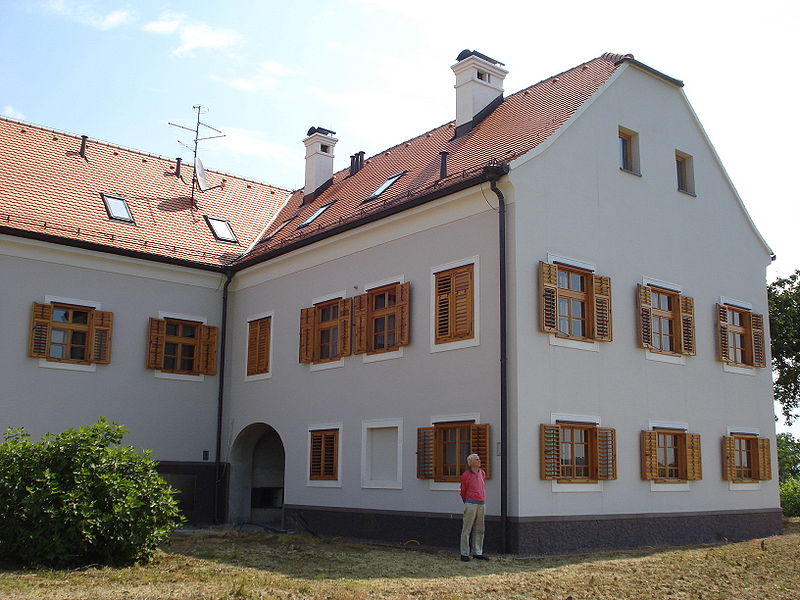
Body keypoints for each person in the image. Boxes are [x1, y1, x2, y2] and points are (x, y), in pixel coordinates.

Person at [459, 453, 489, 561]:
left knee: (480, 529)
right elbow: (463, 490)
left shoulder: (482, 473)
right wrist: (467, 501)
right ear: (470, 462)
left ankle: (478, 552)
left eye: (479, 459)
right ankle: (464, 553)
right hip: (470, 503)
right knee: (467, 529)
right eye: (476, 460)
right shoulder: (466, 475)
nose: (479, 461)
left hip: (481, 503)